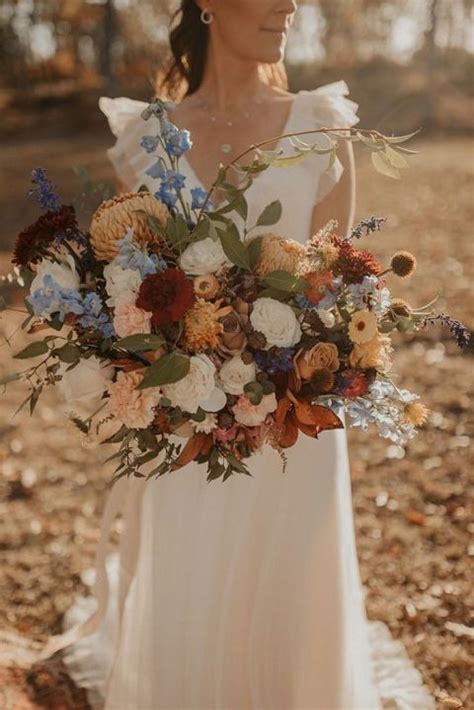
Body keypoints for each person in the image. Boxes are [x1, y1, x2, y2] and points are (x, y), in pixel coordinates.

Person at [57, 1, 435, 707]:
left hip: (295, 427)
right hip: (184, 422)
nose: (289, 6)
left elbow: (334, 293)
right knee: (194, 584)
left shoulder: (322, 126)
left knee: (286, 596)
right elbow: (129, 291)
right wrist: (162, 369)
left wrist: (290, 370)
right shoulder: (146, 139)